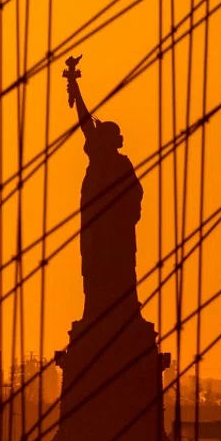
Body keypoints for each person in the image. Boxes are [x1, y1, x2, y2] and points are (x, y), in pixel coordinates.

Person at [66, 61, 144, 320]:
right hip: (97, 224)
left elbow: (136, 194)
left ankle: (121, 312)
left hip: (118, 230)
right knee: (96, 264)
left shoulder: (121, 164)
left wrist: (126, 212)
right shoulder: (101, 158)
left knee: (119, 268)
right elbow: (85, 122)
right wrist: (76, 90)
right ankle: (98, 312)